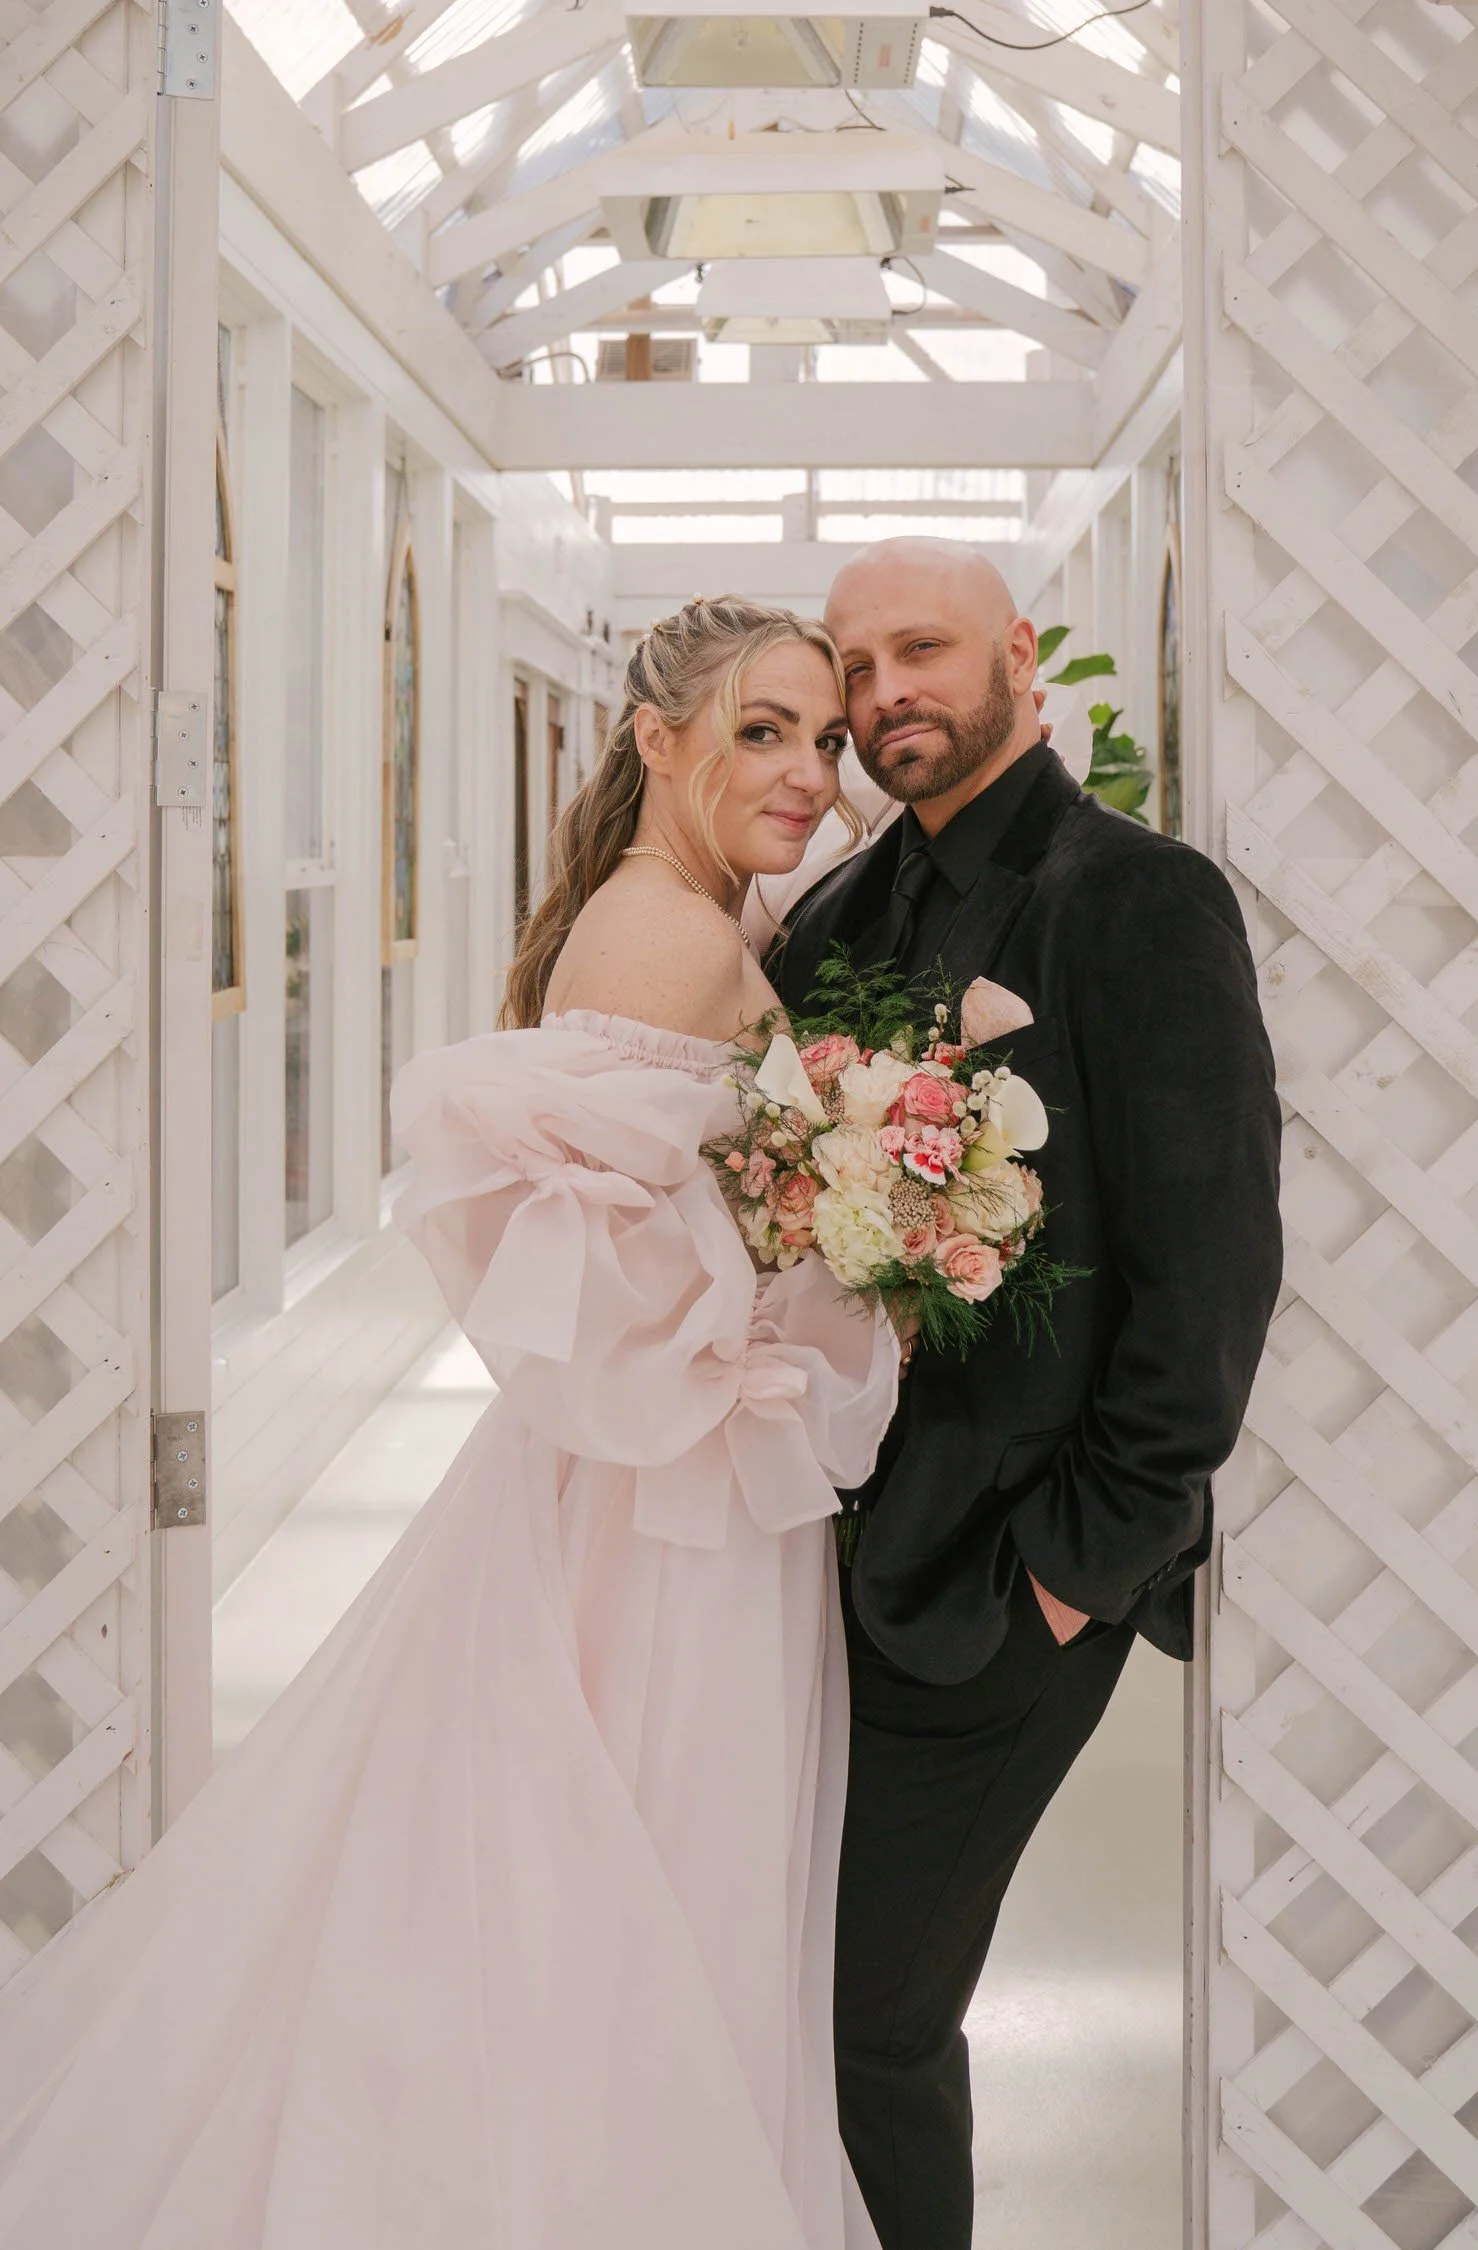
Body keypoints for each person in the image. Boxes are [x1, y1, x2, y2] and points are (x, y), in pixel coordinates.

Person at [0, 597, 900, 2250]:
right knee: (643, 1886)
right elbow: (593, 1278)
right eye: (764, 729)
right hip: (666, 1506)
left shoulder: (698, 916)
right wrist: (838, 1255)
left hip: (667, 1485)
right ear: (658, 739)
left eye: (827, 740)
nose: (806, 771)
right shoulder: (672, 936)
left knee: (618, 1880)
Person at [771, 538, 1283, 2250]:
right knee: (788, 1996)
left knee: (872, 2019)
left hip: (1009, 1575)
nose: (885, 692)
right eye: (856, 667)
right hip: (820, 1554)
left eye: (921, 648)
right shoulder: (833, 921)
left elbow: (1207, 1266)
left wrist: (1080, 1568)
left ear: (1016, 657)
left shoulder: (1132, 893)